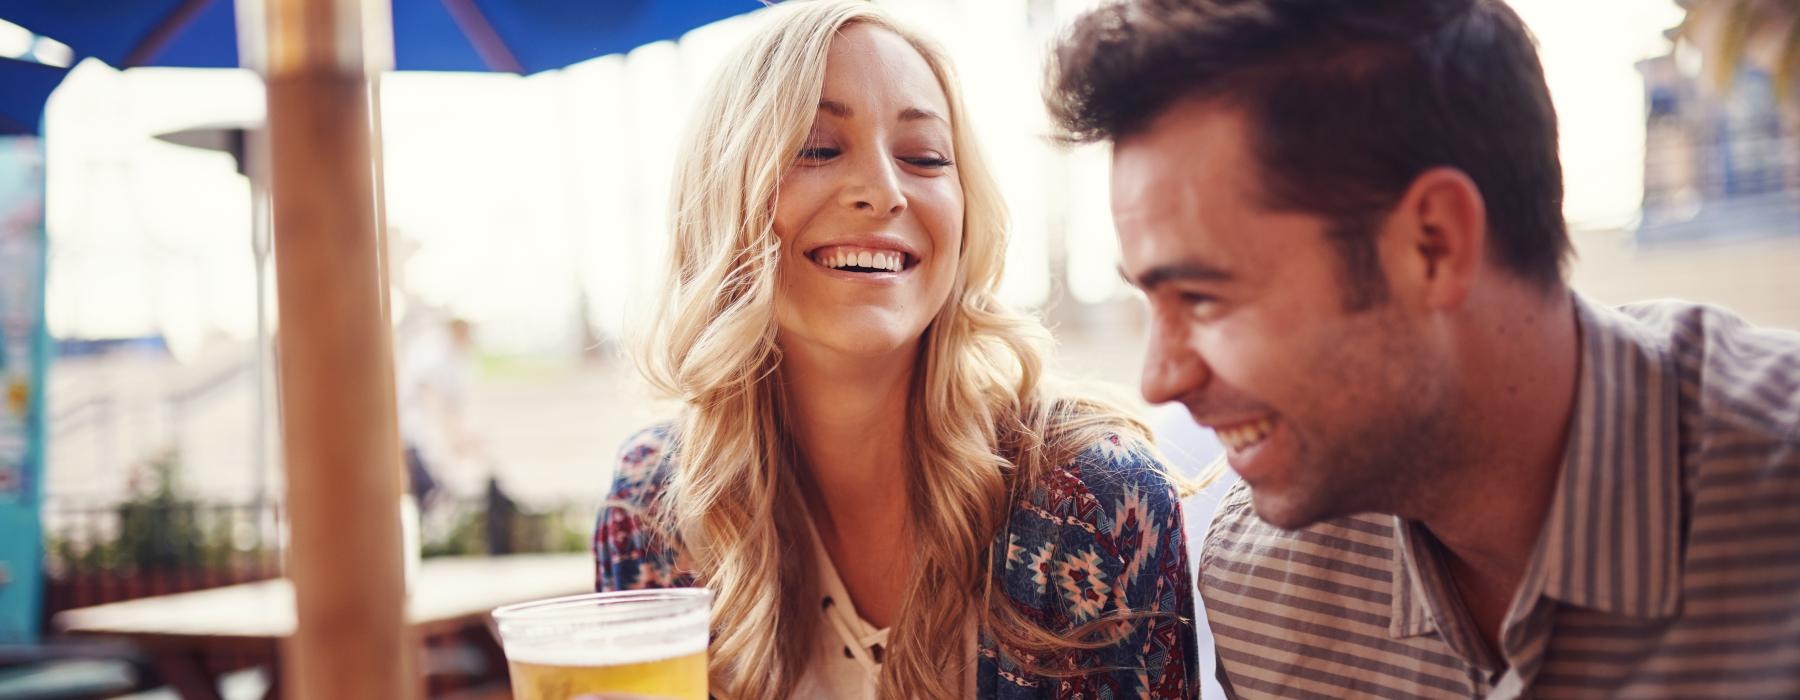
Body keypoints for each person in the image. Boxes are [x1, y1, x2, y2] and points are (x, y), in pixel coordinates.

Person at [1045, 0, 1800, 697]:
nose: (1160, 378)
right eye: (1150, 301)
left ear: (1433, 245)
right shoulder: (1263, 591)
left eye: (1205, 298)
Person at [593, 2, 1198, 698]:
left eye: (925, 157)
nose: (883, 192)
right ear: (720, 203)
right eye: (818, 147)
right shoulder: (651, 504)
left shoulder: (1090, 496)